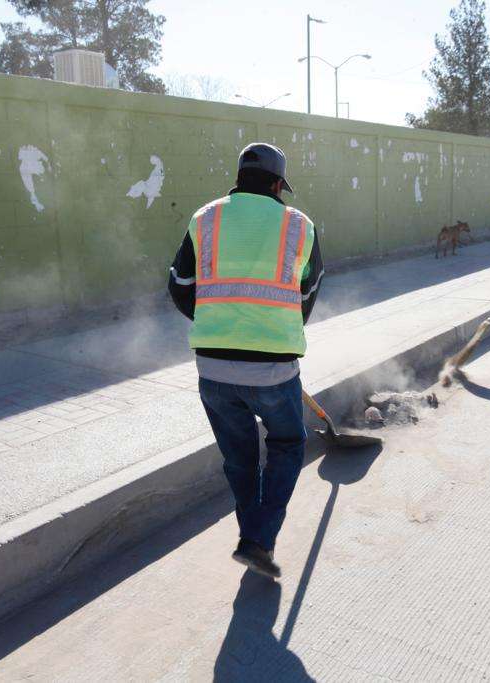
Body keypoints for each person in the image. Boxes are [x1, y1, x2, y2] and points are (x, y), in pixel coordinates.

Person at [168, 143, 324, 579]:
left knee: (239, 459)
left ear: (240, 178)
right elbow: (309, 292)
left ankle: (250, 536)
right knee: (288, 446)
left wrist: (218, 319)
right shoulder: (299, 225)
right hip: (275, 369)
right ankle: (257, 540)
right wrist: (282, 330)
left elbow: (180, 284)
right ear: (278, 184)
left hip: (213, 368)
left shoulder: (205, 218)